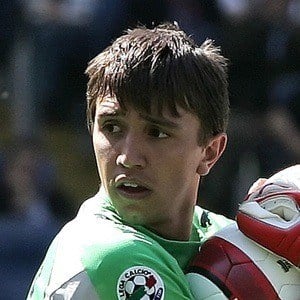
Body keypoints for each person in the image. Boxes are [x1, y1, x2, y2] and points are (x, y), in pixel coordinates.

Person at [27, 22, 233, 299]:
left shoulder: (219, 234)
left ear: (209, 152)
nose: (128, 158)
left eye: (157, 133)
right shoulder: (114, 255)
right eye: (111, 127)